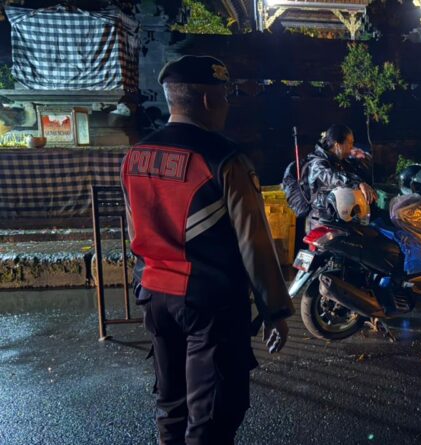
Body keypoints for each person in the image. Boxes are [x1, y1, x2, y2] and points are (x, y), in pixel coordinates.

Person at [121, 55, 294, 444]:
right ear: (207, 100)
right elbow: (254, 243)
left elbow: (135, 232)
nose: (227, 105)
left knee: (171, 406)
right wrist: (275, 311)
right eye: (225, 96)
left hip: (155, 297)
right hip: (209, 304)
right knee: (213, 415)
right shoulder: (225, 160)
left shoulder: (135, 156)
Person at [304, 124, 377, 232]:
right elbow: (332, 176)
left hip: (336, 220)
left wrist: (362, 160)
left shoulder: (338, 160)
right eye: (350, 143)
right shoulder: (317, 164)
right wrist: (357, 183)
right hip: (320, 223)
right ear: (337, 144)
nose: (352, 147)